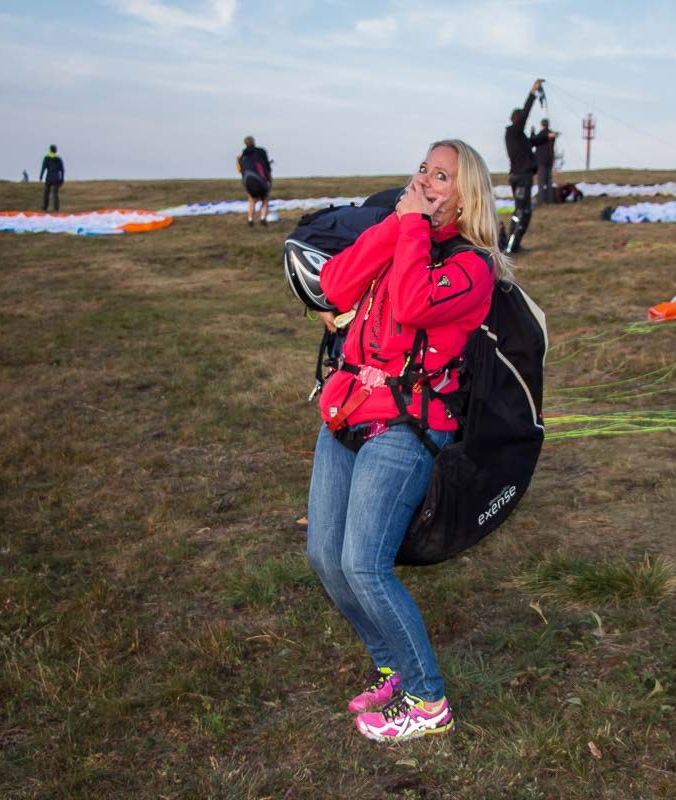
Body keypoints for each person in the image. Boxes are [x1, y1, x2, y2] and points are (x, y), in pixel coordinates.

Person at [306, 139, 509, 743]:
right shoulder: (404, 234)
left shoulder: (473, 267)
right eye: (423, 169)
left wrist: (413, 227)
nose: (424, 180)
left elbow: (416, 302)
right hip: (347, 410)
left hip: (407, 425)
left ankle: (427, 700)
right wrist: (397, 225)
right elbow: (335, 286)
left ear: (466, 196)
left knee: (364, 565)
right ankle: (392, 668)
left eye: (441, 175)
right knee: (325, 557)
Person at [504, 79, 542, 253]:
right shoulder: (513, 132)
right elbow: (525, 114)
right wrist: (532, 93)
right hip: (520, 177)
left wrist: (547, 136)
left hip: (523, 176)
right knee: (521, 211)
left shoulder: (519, 137)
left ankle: (515, 244)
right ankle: (510, 246)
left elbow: (533, 141)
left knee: (525, 211)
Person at [238, 136, 273, 226]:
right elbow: (266, 167)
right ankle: (262, 218)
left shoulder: (243, 156)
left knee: (252, 199)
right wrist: (269, 180)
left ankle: (250, 219)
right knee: (264, 198)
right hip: (259, 179)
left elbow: (241, 169)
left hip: (248, 180)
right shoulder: (261, 152)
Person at [533, 118, 557, 205]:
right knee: (549, 182)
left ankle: (541, 201)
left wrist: (532, 133)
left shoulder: (541, 134)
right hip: (549, 160)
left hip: (541, 161)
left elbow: (534, 141)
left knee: (541, 182)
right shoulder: (552, 135)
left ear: (542, 125)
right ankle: (550, 200)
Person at [39, 145, 65, 212]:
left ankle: (45, 207)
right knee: (55, 193)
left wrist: (41, 177)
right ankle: (56, 209)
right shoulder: (58, 159)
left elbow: (43, 168)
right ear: (55, 150)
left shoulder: (47, 158)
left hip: (49, 177)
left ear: (50, 150)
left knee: (46, 193)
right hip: (56, 177)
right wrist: (62, 179)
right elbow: (62, 170)